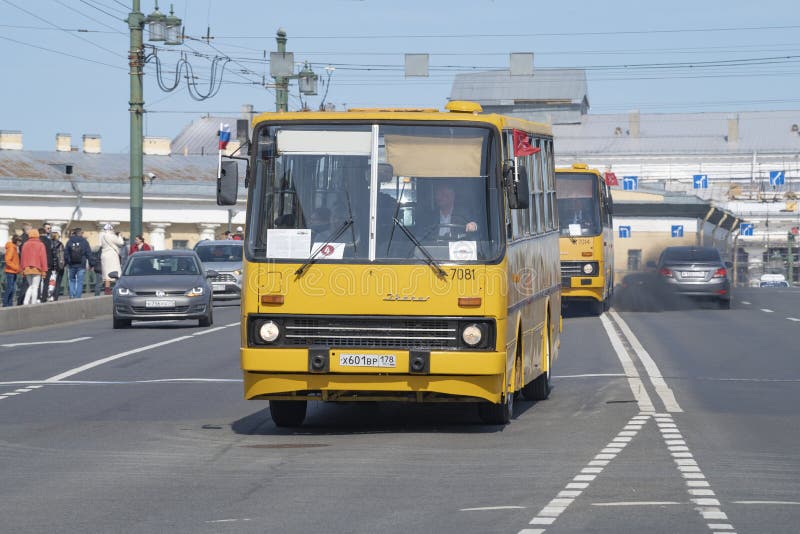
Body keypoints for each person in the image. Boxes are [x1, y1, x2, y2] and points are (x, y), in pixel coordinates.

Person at [20, 228, 48, 305]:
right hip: (37, 268)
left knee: (31, 285)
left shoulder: (25, 244)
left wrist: (22, 269)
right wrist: (44, 270)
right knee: (35, 286)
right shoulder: (40, 244)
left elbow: (22, 257)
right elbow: (43, 258)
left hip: (27, 268)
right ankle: (33, 302)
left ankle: (25, 301)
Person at [64, 227, 93, 299]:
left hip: (71, 265)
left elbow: (66, 253)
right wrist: (91, 264)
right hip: (81, 264)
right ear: (80, 233)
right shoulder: (84, 242)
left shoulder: (69, 241)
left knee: (72, 280)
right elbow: (89, 254)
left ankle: (72, 295)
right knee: (80, 281)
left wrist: (67, 261)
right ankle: (77, 297)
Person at [99, 223, 124, 295]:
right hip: (112, 255)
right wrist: (119, 236)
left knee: (107, 273)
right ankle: (118, 288)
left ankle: (107, 290)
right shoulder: (111, 236)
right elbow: (121, 243)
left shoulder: (102, 236)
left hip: (104, 255)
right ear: (110, 229)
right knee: (116, 271)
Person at [15, 223, 33, 305]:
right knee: (26, 284)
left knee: (25, 283)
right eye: (31, 229)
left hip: (22, 263)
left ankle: (21, 301)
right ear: (27, 229)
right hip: (26, 264)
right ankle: (21, 301)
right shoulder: (26, 239)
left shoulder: (21, 238)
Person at [3, 235, 21, 307]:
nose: (20, 243)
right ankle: (5, 303)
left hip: (13, 271)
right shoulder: (11, 248)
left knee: (12, 289)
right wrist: (16, 268)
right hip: (10, 271)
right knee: (10, 288)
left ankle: (9, 304)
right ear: (16, 241)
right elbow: (8, 260)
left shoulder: (14, 248)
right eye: (20, 241)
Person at [37, 226, 54, 302]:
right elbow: (52, 253)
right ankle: (44, 297)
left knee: (38, 282)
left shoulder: (37, 241)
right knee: (46, 282)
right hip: (48, 264)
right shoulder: (49, 241)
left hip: (38, 264)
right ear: (44, 233)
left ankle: (37, 297)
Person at [49, 231, 66, 301]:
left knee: (51, 281)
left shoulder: (48, 244)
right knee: (58, 283)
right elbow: (61, 256)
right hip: (58, 266)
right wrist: (63, 265)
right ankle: (55, 296)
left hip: (50, 266)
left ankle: (50, 295)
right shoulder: (60, 244)